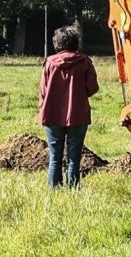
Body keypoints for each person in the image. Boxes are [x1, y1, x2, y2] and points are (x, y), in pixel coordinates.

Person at [38, 26, 98, 188]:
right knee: (74, 159)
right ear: (76, 42)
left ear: (56, 43)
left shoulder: (49, 63)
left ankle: (54, 190)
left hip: (52, 115)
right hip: (78, 115)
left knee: (54, 158)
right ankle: (73, 190)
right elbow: (92, 88)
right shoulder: (85, 62)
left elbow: (43, 91)